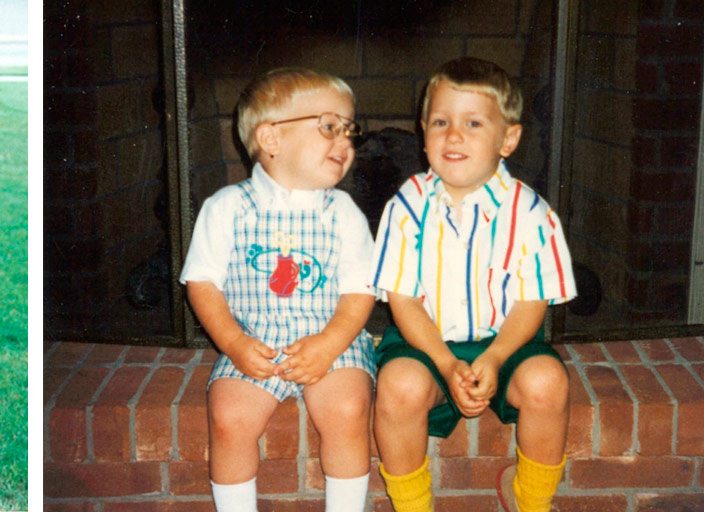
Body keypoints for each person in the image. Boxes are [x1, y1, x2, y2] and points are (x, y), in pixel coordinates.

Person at [369, 57, 576, 512]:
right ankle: (412, 504)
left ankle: (532, 500)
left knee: (548, 381)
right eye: (440, 121)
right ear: (423, 133)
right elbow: (401, 299)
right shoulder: (407, 205)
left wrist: (497, 355)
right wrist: (444, 363)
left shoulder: (531, 213)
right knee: (398, 385)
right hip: (424, 343)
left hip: (507, 342)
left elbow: (532, 301)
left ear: (509, 138)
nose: (454, 135)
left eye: (473, 123)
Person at [180, 67, 377, 512]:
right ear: (271, 139)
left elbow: (358, 291)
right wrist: (233, 342)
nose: (345, 143)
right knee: (229, 415)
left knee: (346, 409)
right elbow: (203, 283)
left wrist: (329, 345)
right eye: (329, 127)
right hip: (254, 342)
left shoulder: (342, 211)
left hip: (333, 340)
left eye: (350, 131)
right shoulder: (227, 208)